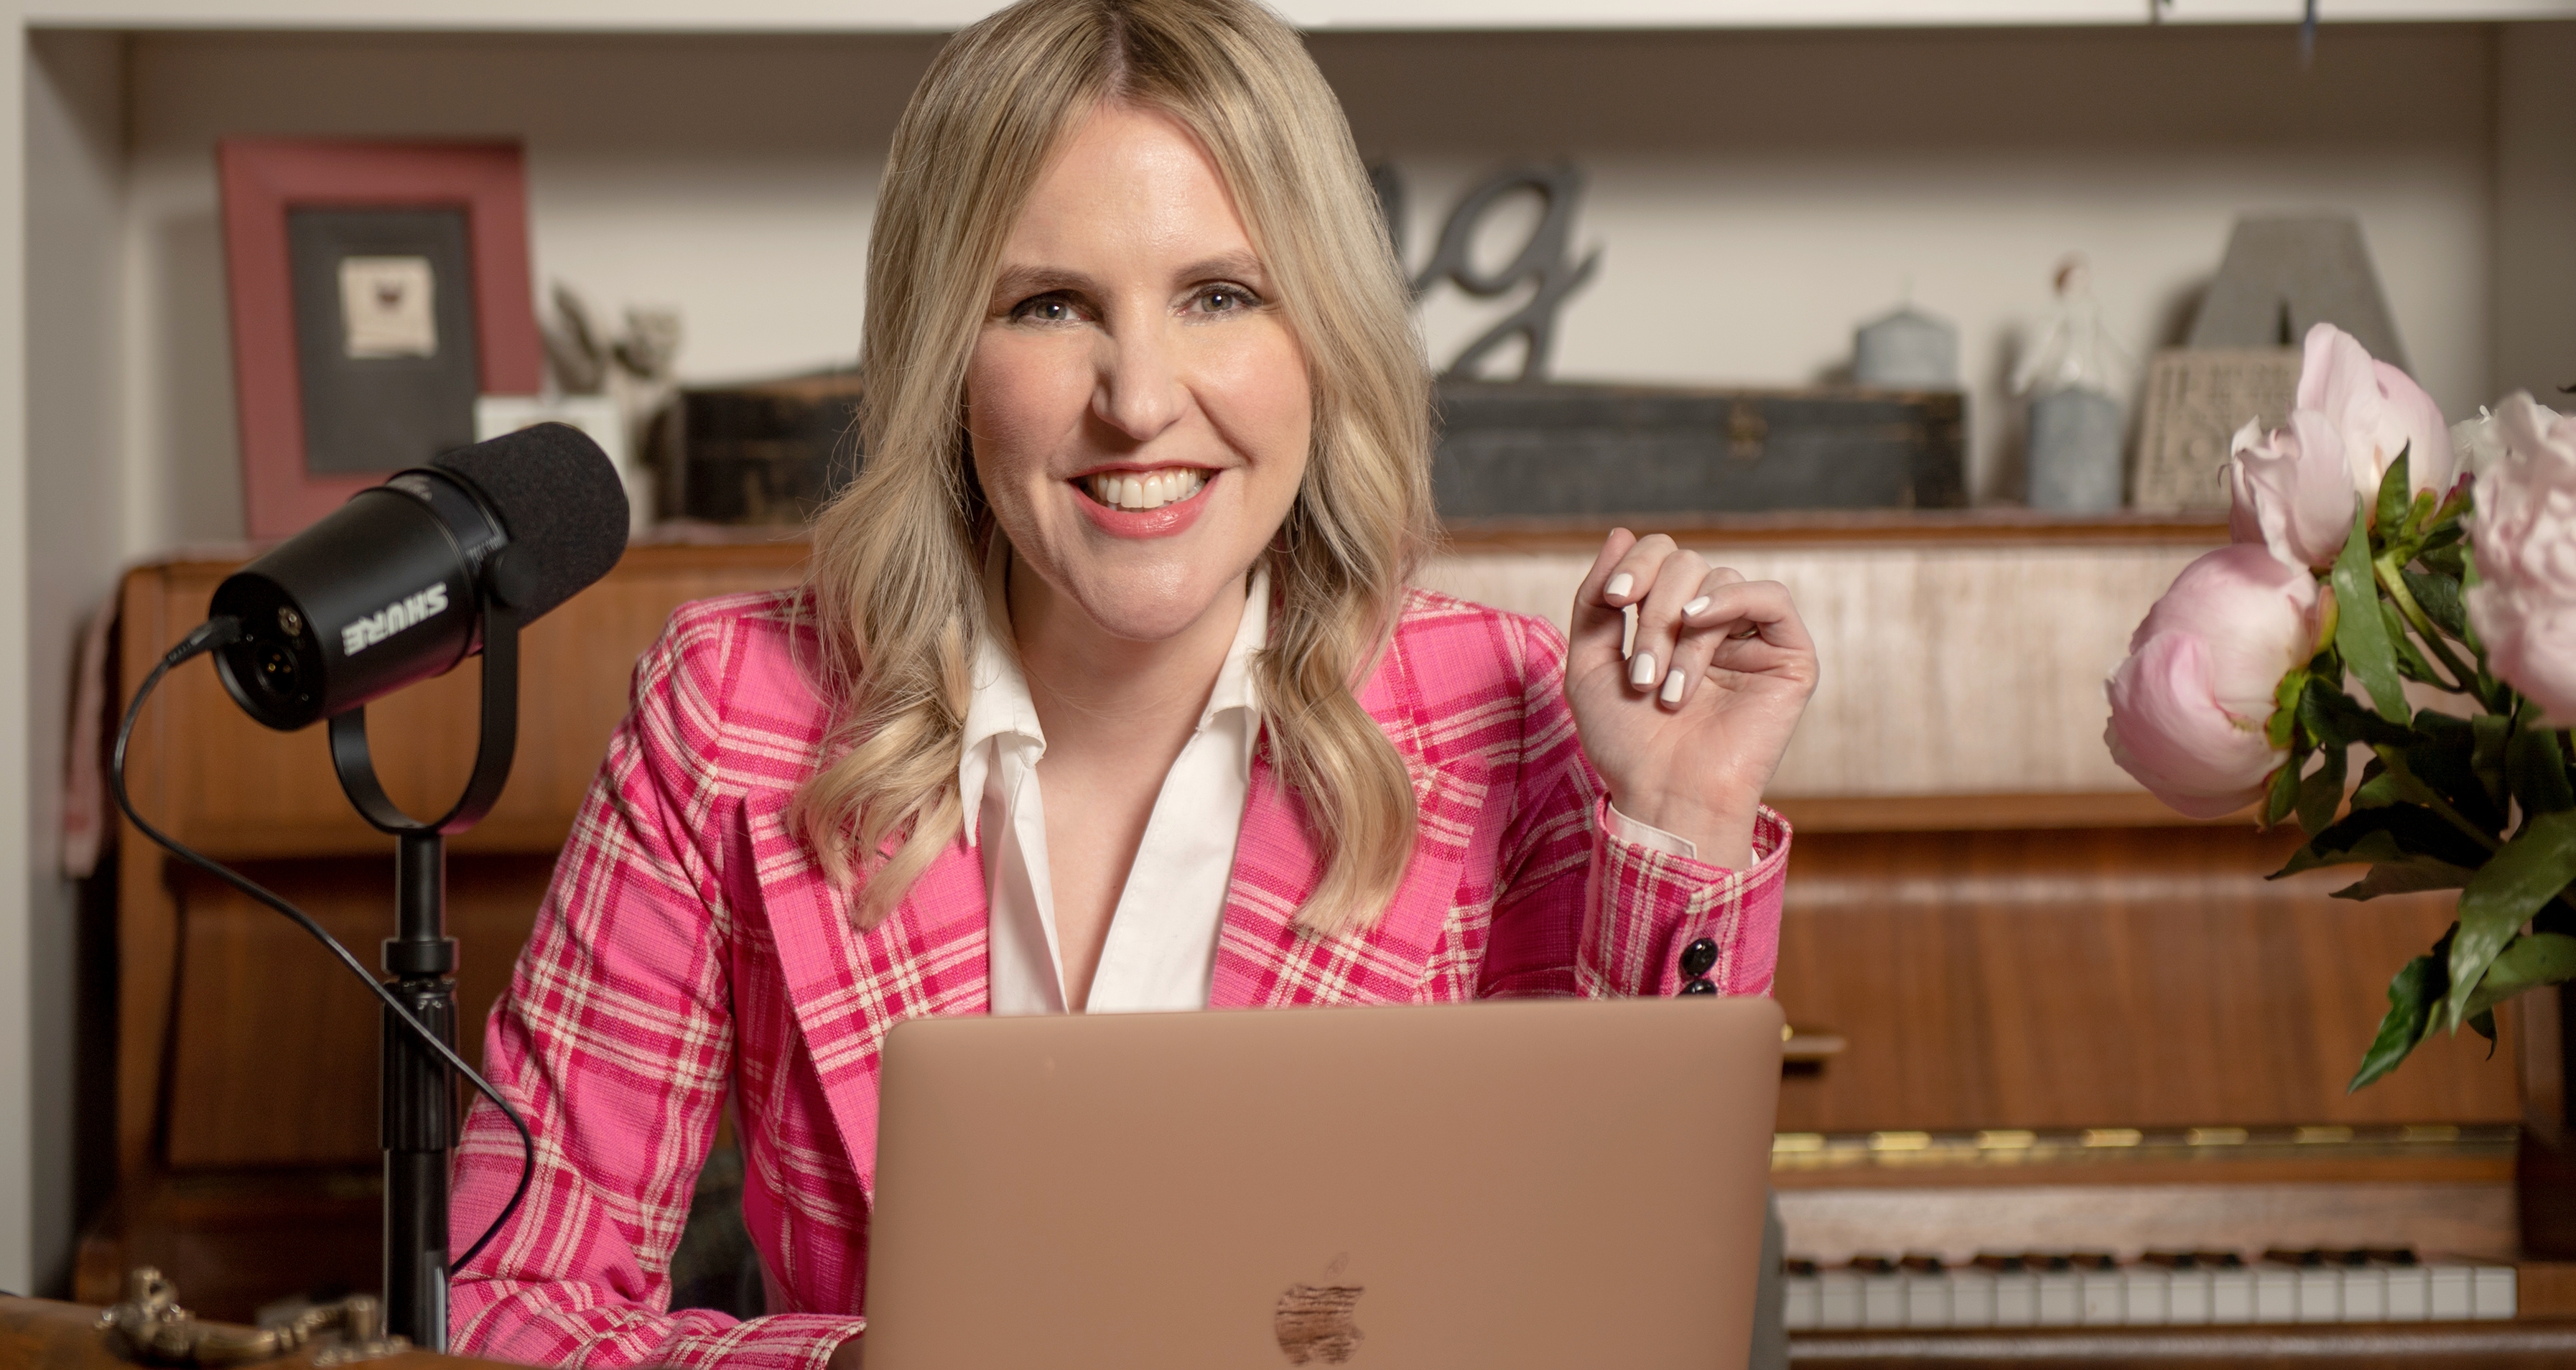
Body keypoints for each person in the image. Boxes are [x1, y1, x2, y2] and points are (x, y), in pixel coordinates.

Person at [446, 0, 1818, 1364]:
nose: (1140, 399)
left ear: (1321, 334)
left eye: (1221, 295)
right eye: (1050, 305)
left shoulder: (1501, 711)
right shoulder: (736, 708)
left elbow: (1621, 1314)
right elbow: (504, 1307)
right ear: (946, 363)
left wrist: (1678, 827)